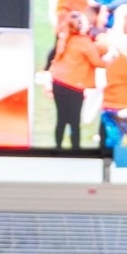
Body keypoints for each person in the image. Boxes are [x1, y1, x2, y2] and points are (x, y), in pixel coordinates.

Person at [50, 12, 106, 150]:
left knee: (61, 118)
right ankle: (76, 150)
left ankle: (58, 148)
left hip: (58, 83)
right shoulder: (84, 42)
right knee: (74, 121)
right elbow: (97, 62)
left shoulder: (66, 38)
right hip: (73, 86)